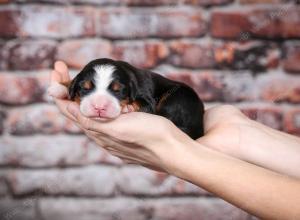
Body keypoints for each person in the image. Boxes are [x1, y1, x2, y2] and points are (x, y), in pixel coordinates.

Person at [49, 61, 300, 220]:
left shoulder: (142, 88)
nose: (100, 103)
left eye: (117, 93)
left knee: (173, 98)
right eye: (86, 89)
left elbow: (147, 102)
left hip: (180, 104)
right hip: (205, 121)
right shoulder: (119, 81)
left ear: (129, 90)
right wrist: (240, 133)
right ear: (76, 89)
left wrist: (173, 148)